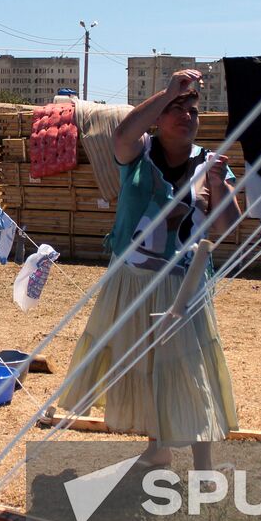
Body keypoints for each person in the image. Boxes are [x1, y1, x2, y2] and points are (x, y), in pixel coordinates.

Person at [60, 69, 241, 471]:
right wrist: (167, 93)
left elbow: (228, 225)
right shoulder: (138, 153)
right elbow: (121, 135)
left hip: (183, 284)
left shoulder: (211, 163)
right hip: (133, 278)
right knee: (146, 364)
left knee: (188, 368)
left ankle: (203, 466)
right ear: (158, 117)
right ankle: (158, 448)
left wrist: (220, 186)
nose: (186, 115)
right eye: (176, 109)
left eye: (192, 110)